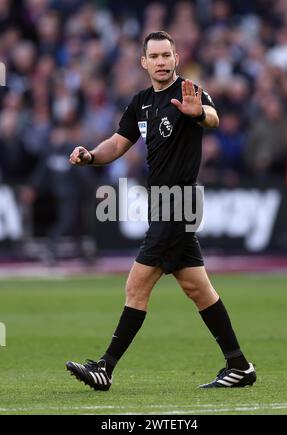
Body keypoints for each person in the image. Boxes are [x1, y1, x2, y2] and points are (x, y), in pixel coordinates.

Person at [67, 31, 256, 390]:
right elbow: (118, 143)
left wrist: (198, 112)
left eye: (166, 55)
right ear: (144, 62)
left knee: (136, 285)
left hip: (179, 201)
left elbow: (212, 119)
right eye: (154, 56)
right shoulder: (140, 102)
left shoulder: (189, 92)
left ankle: (105, 367)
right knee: (198, 289)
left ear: (176, 57)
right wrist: (91, 156)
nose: (161, 61)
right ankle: (239, 365)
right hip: (163, 204)